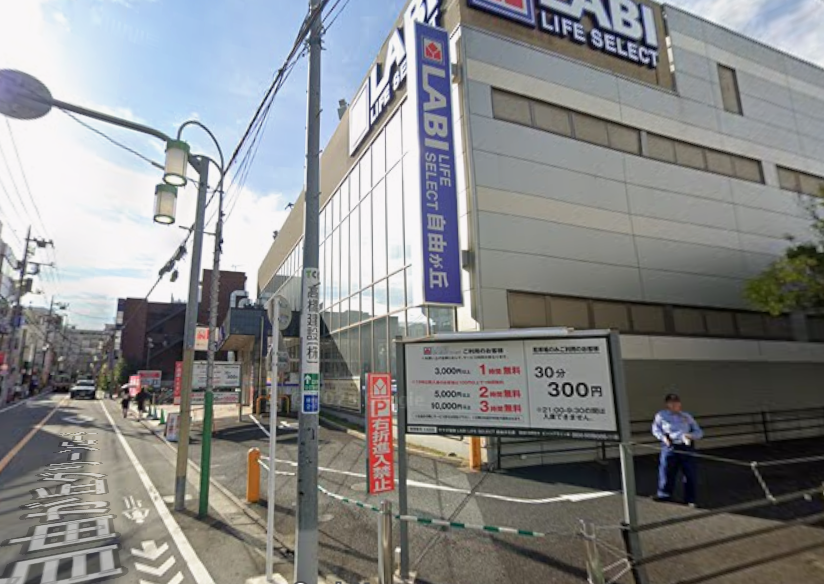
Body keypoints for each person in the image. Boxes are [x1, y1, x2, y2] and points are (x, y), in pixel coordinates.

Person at [651, 393, 703, 507]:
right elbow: (656, 429)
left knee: (689, 473)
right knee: (666, 470)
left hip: (685, 446)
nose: (675, 405)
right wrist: (663, 438)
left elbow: (699, 432)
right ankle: (664, 494)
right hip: (670, 445)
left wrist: (691, 435)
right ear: (667, 404)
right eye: (672, 403)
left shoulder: (686, 416)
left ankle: (690, 499)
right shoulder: (661, 415)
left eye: (677, 402)